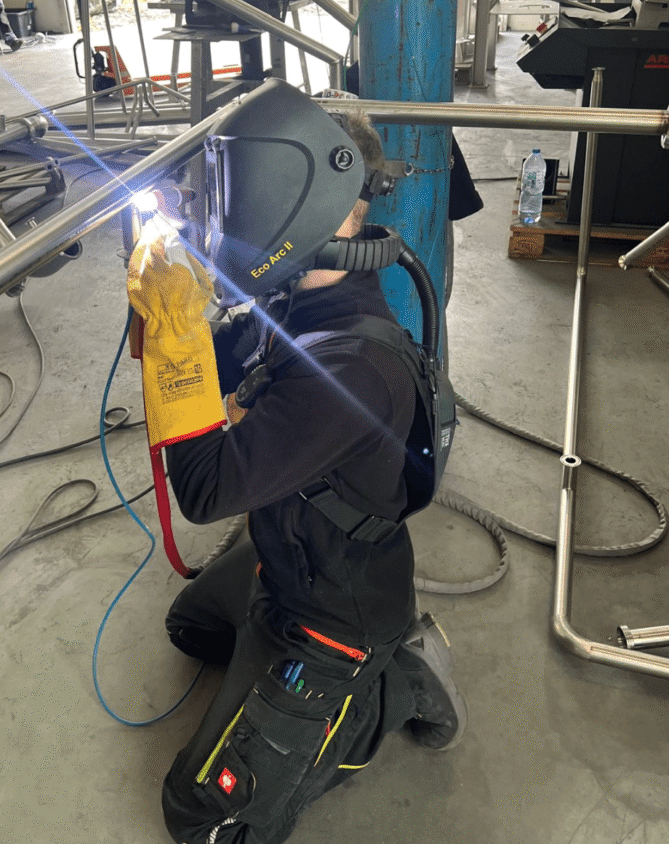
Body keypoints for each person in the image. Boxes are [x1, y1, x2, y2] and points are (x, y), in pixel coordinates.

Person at [128, 80, 467, 844]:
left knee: (205, 821)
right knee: (191, 628)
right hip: (284, 555)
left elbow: (206, 488)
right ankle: (288, 676)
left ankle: (395, 684)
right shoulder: (299, 294)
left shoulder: (352, 372)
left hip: (334, 616)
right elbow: (224, 365)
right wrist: (178, 304)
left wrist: (179, 348)